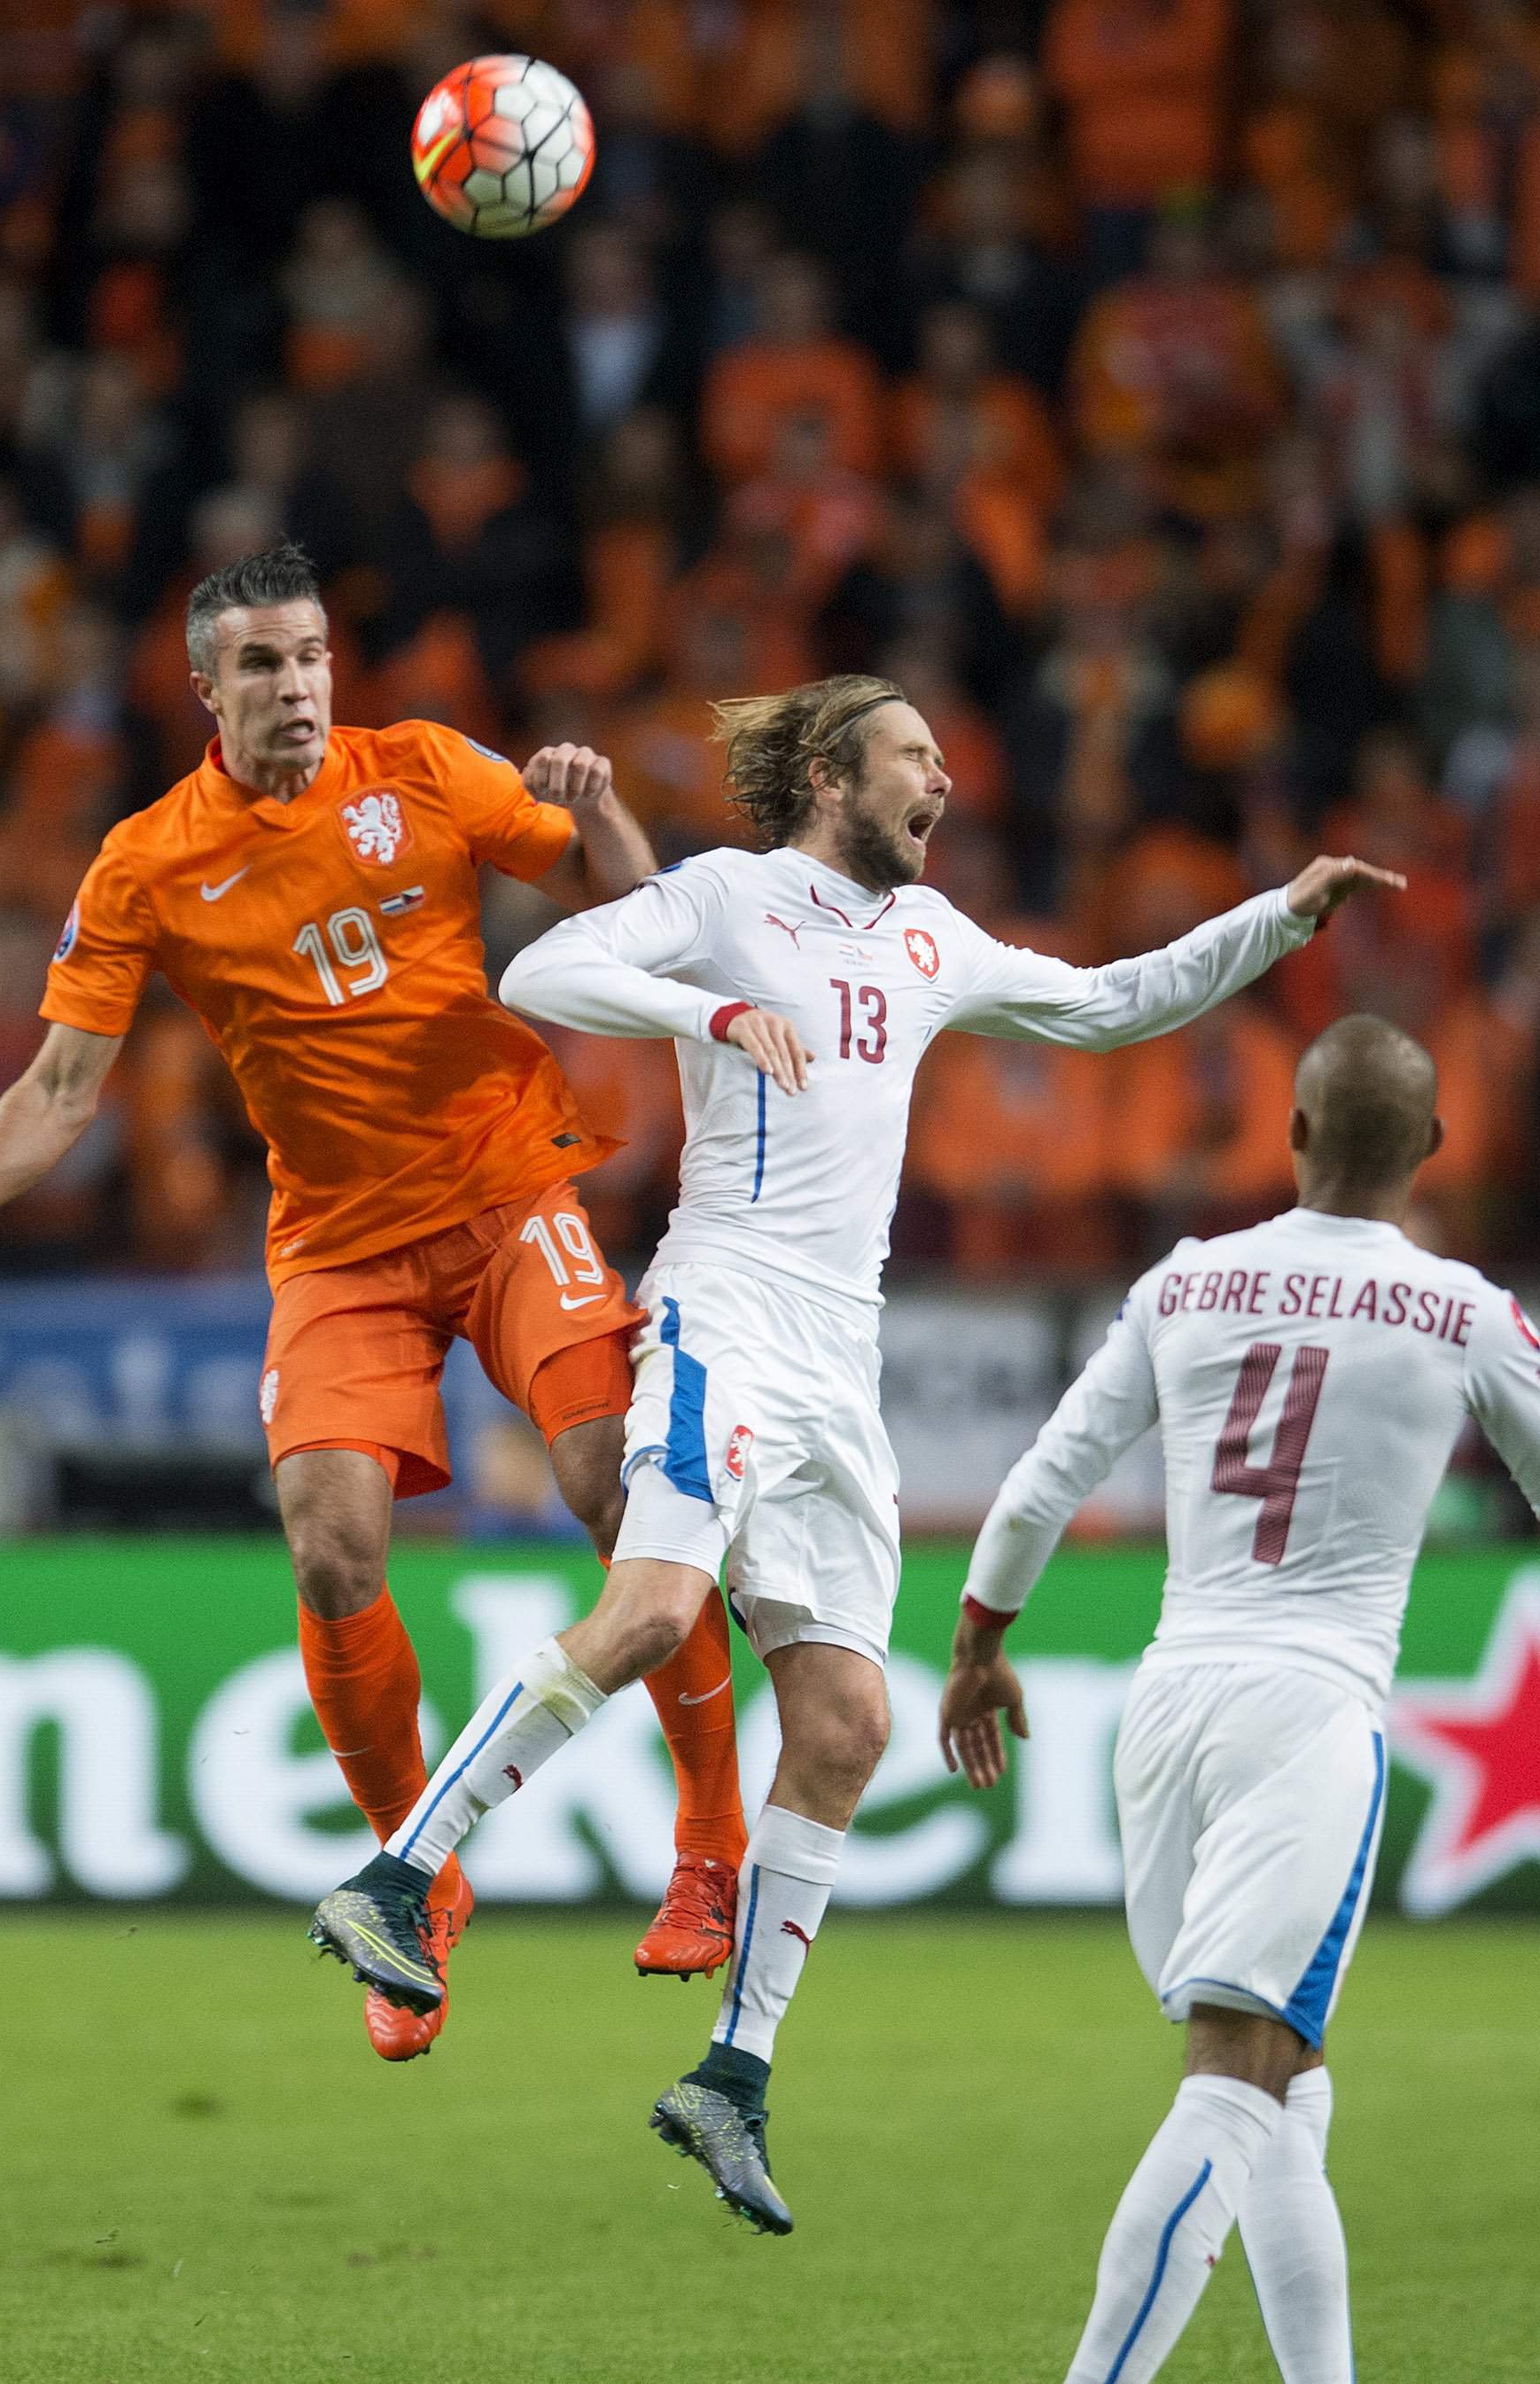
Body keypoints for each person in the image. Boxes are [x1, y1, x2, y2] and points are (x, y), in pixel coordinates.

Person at [310, 669, 1398, 2231]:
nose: (943, 781)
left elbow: (1111, 1001)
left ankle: (732, 2075)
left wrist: (1280, 914)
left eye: (946, 760)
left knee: (844, 1716)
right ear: (833, 771)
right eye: (916, 756)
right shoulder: (732, 896)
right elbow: (544, 967)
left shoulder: (933, 938)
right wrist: (711, 1011)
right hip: (725, 1311)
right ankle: (400, 1874)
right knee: (650, 1611)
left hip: (841, 1357)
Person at [0, 540, 749, 2059]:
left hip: (511, 1189)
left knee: (610, 1482)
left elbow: (634, 909)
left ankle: (710, 1846)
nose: (297, 684)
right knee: (329, 1545)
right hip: (338, 1245)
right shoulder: (145, 862)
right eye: (261, 662)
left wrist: (601, 810)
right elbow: (64, 1088)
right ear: (206, 688)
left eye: (312, 654)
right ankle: (415, 1880)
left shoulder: (430, 771)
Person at [939, 1013, 1540, 2383]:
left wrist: (979, 1641)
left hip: (1170, 1708)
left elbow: (1042, 1478)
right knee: (1234, 2075)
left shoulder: (1188, 1279)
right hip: (1309, 1714)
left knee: (1286, 2087)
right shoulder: (1464, 1310)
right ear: (1434, 1150)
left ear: (1299, 1132)